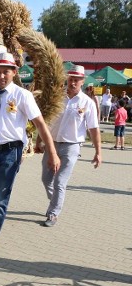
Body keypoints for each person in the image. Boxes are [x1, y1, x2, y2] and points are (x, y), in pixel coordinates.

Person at [0, 52, 60, 257]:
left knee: (0, 199)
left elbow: (40, 124)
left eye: (6, 72)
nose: (2, 76)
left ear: (14, 72)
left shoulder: (22, 96)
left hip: (10, 152)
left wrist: (53, 153)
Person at [36, 65, 101, 228]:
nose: (73, 83)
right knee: (46, 178)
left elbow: (93, 128)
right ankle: (56, 201)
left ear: (82, 82)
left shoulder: (87, 103)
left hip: (71, 147)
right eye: (71, 79)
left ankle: (53, 213)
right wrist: (39, 141)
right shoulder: (57, 98)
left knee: (60, 182)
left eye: (76, 80)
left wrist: (98, 152)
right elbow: (45, 121)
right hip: (52, 144)